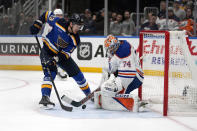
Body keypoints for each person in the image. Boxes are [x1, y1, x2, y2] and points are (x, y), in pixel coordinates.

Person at [30, 11, 91, 109]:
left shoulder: (76, 39)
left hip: (61, 56)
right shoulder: (59, 22)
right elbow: (46, 14)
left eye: (80, 27)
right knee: (50, 72)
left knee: (77, 73)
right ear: (71, 24)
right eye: (77, 26)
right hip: (47, 51)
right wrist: (38, 24)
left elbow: (65, 54)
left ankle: (89, 94)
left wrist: (55, 59)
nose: (79, 29)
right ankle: (45, 97)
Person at [94, 35, 144, 111]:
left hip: (130, 78)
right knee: (112, 87)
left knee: (106, 89)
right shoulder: (125, 43)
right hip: (138, 76)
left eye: (110, 48)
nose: (110, 50)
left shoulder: (118, 55)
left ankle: (132, 103)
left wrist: (110, 59)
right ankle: (126, 98)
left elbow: (111, 69)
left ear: (115, 45)